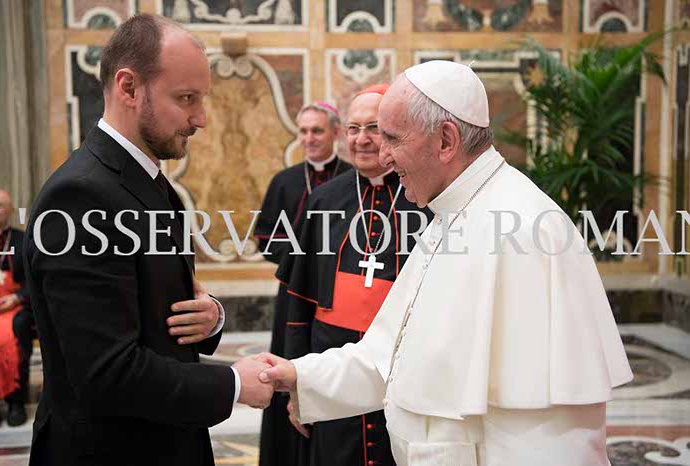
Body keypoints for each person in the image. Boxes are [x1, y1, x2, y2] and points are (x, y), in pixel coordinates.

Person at [257, 60, 633, 466]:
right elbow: (389, 355)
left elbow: (550, 441)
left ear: (446, 140)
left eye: (392, 138)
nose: (383, 156)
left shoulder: (526, 232)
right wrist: (300, 376)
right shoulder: (448, 215)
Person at [23, 14, 272, 466]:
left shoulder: (149, 181)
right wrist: (234, 384)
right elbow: (106, 373)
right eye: (186, 98)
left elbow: (158, 307)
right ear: (129, 88)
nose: (201, 118)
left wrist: (210, 317)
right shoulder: (80, 196)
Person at [279, 84, 432, 466]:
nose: (361, 139)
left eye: (374, 128)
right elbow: (299, 304)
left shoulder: (425, 201)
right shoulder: (323, 200)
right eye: (353, 128)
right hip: (331, 370)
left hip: (405, 371)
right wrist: (298, 381)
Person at [256, 101, 351, 466]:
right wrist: (305, 257)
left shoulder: (352, 178)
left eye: (317, 131)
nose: (309, 138)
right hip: (295, 293)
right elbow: (264, 238)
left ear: (335, 133)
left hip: (337, 293)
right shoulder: (285, 181)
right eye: (304, 131)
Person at [0, 190, 33, 427]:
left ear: (11, 210)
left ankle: (16, 400)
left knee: (20, 327)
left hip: (15, 307)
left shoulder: (23, 240)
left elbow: (35, 279)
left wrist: (17, 297)